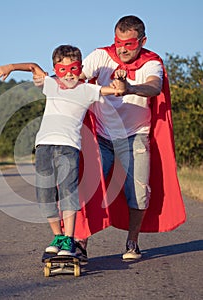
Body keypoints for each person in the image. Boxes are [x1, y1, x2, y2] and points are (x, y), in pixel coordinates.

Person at [69, 15, 186, 260]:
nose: (122, 48)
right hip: (101, 135)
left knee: (139, 191)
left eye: (129, 44)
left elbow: (154, 86)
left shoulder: (151, 63)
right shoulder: (101, 56)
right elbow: (77, 77)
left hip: (135, 137)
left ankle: (132, 242)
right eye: (118, 42)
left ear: (142, 41)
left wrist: (130, 88)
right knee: (88, 187)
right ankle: (80, 244)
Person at [0, 45, 127, 256]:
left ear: (80, 68)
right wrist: (9, 67)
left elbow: (118, 90)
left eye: (73, 69)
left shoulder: (87, 89)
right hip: (44, 146)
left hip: (69, 147)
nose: (68, 75)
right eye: (62, 70)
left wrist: (120, 77)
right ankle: (59, 236)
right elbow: (33, 66)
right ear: (56, 69)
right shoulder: (51, 84)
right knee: (45, 193)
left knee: (68, 192)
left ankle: (70, 240)